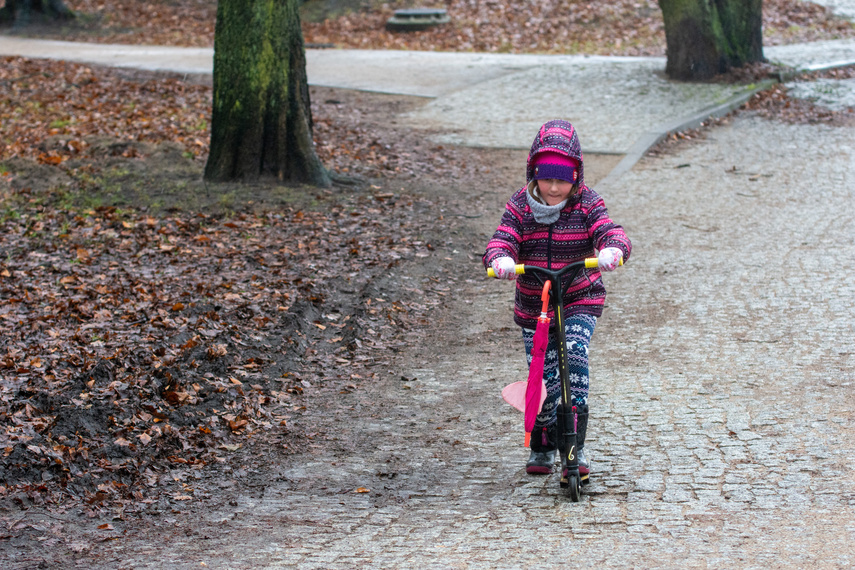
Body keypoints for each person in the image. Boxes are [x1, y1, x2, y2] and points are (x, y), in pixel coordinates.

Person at [483, 119, 631, 481]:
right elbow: (502, 238)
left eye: (562, 180)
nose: (553, 187)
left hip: (579, 296)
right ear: (533, 173)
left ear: (576, 177)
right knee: (546, 377)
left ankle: (574, 448)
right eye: (546, 178)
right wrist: (500, 259)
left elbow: (609, 229)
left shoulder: (587, 203)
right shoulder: (521, 204)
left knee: (574, 354)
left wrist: (613, 248)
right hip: (536, 305)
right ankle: (543, 437)